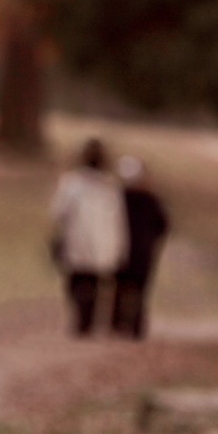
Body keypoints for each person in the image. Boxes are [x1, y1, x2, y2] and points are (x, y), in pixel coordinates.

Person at [50, 138, 129, 336]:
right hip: (101, 241)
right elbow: (118, 219)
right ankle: (88, 319)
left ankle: (82, 318)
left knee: (77, 281)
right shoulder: (110, 186)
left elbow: (58, 211)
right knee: (93, 283)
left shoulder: (72, 183)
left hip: (78, 238)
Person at [111, 156, 169, 339]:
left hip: (120, 249)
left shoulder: (117, 198)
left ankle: (117, 324)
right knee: (139, 290)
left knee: (119, 288)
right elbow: (163, 225)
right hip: (143, 251)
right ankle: (135, 326)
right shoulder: (150, 199)